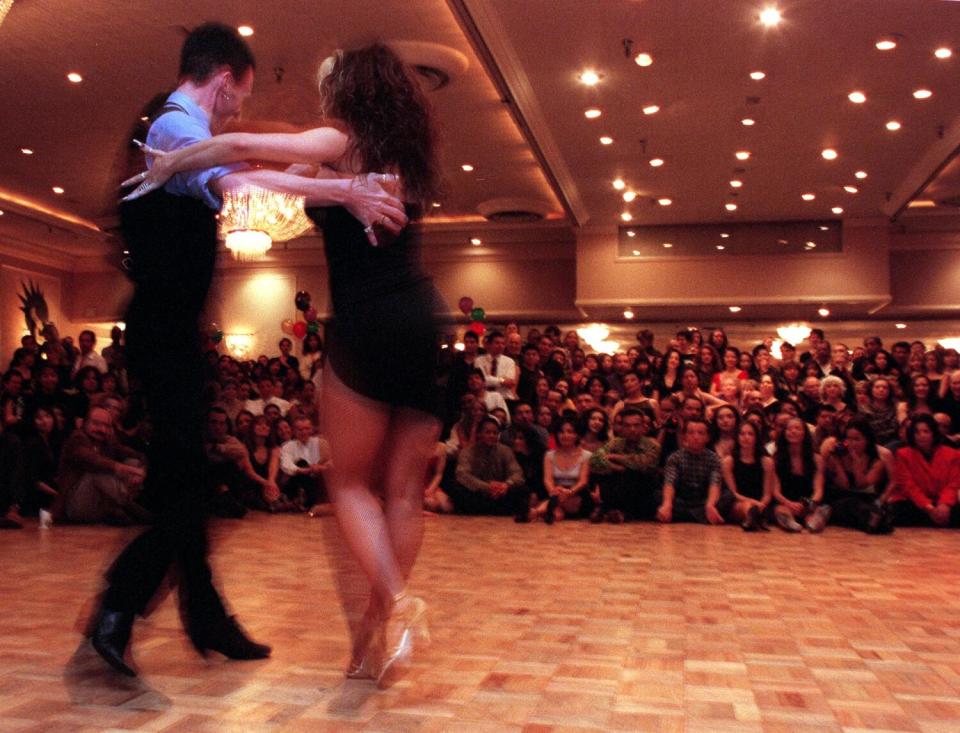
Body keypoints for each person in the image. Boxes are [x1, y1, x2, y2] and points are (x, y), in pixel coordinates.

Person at [91, 26, 406, 679]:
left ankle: (203, 616)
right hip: (159, 327)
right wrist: (345, 191)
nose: (236, 107)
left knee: (188, 478)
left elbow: (246, 172)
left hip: (173, 330)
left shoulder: (175, 125)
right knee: (188, 482)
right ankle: (118, 608)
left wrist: (307, 175)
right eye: (242, 93)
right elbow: (238, 179)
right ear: (226, 77)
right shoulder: (175, 125)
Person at [887, 413, 960, 527]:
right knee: (900, 510)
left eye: (926, 431)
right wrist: (929, 508)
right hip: (916, 503)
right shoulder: (903, 454)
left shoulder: (952, 454)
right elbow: (908, 486)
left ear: (933, 434)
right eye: (917, 432)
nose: (921, 435)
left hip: (942, 501)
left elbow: (954, 484)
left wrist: (945, 504)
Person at [658, 418, 728, 524]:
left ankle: (687, 515)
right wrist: (667, 504)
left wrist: (710, 505)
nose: (695, 437)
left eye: (700, 433)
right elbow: (670, 481)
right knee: (657, 495)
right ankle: (699, 516)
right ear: (685, 436)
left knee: (728, 495)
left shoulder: (714, 459)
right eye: (691, 433)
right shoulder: (675, 458)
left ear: (708, 437)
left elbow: (715, 483)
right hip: (682, 498)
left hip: (703, 498)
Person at [771, 417, 828, 532]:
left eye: (797, 428)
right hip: (785, 501)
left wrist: (809, 503)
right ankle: (790, 523)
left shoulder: (816, 459)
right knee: (780, 510)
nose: (793, 431)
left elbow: (818, 489)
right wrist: (789, 504)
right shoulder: (776, 459)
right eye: (789, 429)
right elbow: (775, 491)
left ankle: (812, 522)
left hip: (807, 501)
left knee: (814, 512)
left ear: (805, 433)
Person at [721, 421, 774, 530]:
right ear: (737, 437)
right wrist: (754, 503)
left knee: (758, 508)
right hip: (737, 503)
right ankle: (753, 518)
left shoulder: (767, 461)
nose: (746, 437)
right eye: (742, 434)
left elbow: (767, 494)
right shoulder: (729, 461)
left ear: (756, 437)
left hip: (761, 503)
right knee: (746, 507)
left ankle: (755, 518)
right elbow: (733, 493)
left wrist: (761, 504)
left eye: (750, 434)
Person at [540, 418, 592, 523]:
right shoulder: (549, 455)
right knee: (558, 512)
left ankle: (536, 512)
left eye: (570, 432)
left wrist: (569, 492)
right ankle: (555, 511)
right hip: (556, 492)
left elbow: (583, 481)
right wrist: (554, 491)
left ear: (577, 435)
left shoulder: (586, 455)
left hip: (577, 493)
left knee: (573, 501)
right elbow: (547, 479)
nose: (565, 435)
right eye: (561, 432)